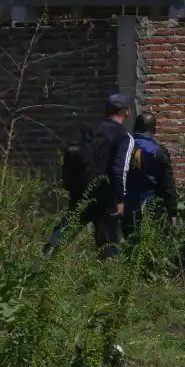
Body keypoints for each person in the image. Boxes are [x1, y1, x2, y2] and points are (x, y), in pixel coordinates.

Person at [45, 94, 134, 258]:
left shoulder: (93, 131)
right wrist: (120, 199)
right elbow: (119, 170)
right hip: (105, 196)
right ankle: (108, 278)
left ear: (105, 111)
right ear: (127, 113)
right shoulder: (123, 137)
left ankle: (42, 265)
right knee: (108, 243)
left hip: (82, 192)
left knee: (65, 231)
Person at [123, 112, 178, 243]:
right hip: (151, 206)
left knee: (129, 243)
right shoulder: (157, 151)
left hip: (126, 205)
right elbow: (167, 183)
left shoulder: (123, 148)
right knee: (151, 243)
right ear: (153, 130)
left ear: (135, 127)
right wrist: (172, 210)